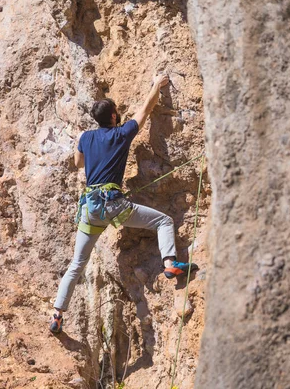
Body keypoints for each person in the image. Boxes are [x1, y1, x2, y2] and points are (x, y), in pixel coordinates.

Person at [49, 74, 198, 334]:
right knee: (164, 221)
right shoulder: (121, 134)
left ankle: (57, 314)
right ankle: (170, 263)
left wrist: (93, 155)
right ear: (115, 116)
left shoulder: (85, 137)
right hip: (113, 204)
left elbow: (78, 163)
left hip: (90, 209)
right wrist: (156, 85)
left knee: (76, 265)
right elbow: (145, 110)